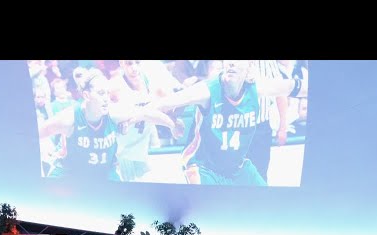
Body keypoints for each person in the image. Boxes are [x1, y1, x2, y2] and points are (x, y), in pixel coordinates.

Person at [153, 60, 307, 186]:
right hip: (204, 164)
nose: (232, 63)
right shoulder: (209, 87)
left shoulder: (258, 86)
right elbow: (175, 100)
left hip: (241, 157)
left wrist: (283, 126)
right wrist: (173, 122)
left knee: (263, 197)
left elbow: (289, 88)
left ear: (250, 67)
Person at [38, 69, 181, 181]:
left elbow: (146, 113)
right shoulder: (69, 118)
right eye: (101, 93)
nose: (106, 98)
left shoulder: (113, 112)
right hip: (71, 174)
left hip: (104, 173)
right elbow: (34, 134)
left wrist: (172, 125)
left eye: (107, 93)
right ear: (86, 95)